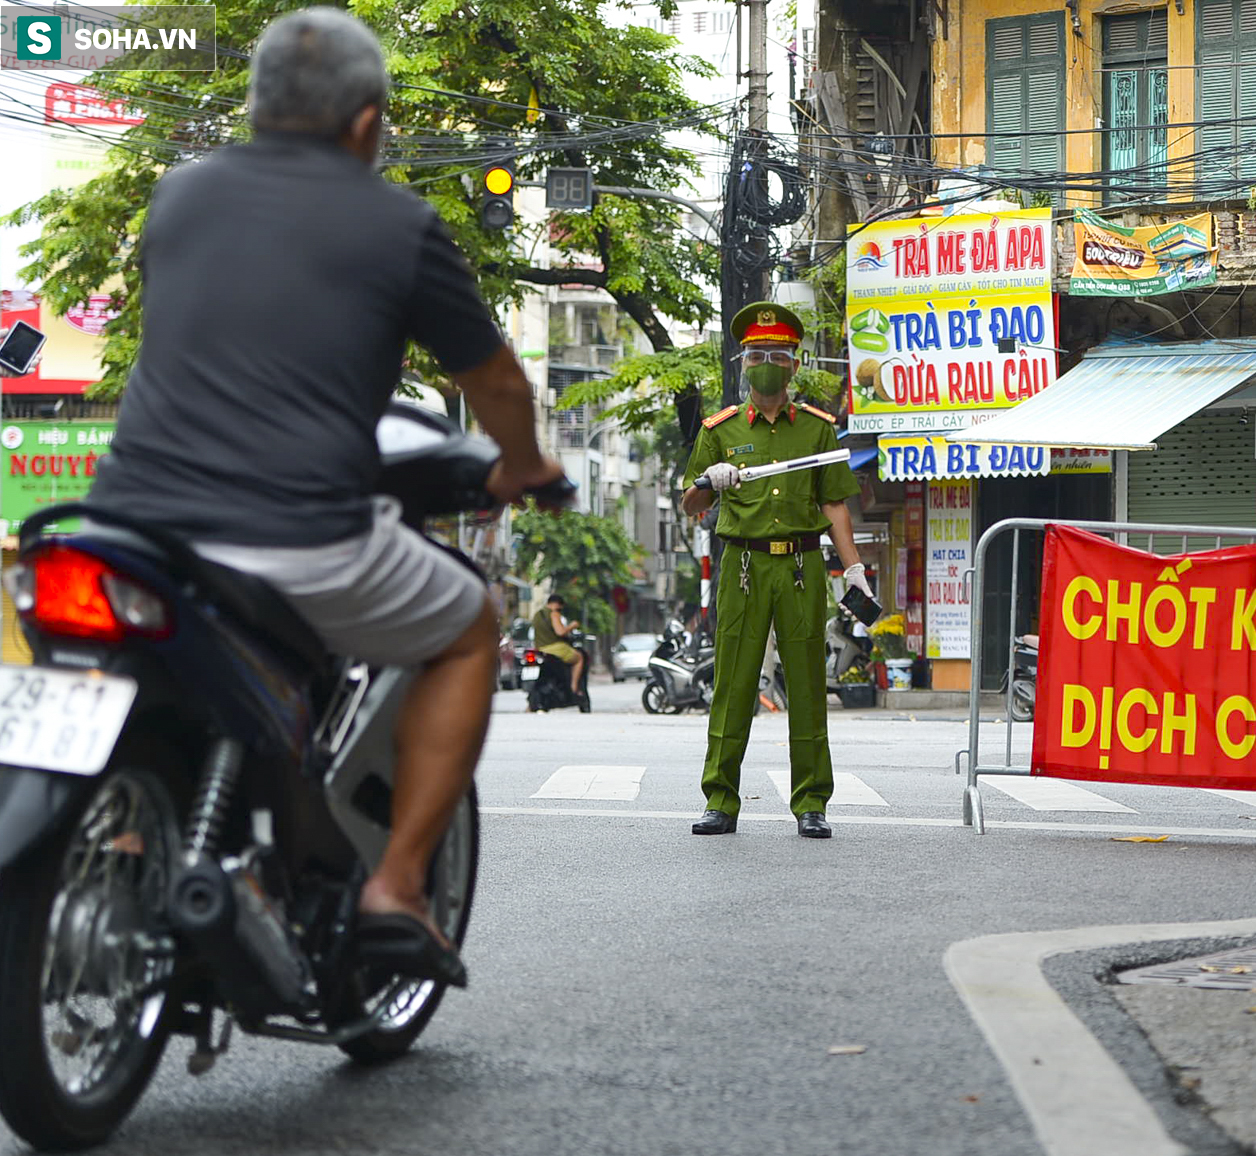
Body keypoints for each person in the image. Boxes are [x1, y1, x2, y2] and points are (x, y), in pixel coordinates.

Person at [87, 9, 565, 983]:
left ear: (256, 107)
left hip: (124, 524)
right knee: (471, 619)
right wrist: (520, 463)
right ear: (365, 124)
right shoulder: (397, 222)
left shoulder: (177, 198)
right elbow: (501, 387)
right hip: (293, 535)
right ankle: (393, 884)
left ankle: (138, 833)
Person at [680, 302, 871, 838]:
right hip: (741, 563)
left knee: (808, 684)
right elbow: (690, 505)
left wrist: (853, 570)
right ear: (744, 362)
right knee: (734, 684)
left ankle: (812, 802)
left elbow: (835, 505)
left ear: (794, 364)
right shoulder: (718, 430)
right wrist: (708, 483)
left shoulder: (815, 430)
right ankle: (721, 799)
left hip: (804, 566)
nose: (767, 362)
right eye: (758, 354)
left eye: (779, 354)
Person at [530, 593, 588, 708]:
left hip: (540, 649)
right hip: (555, 648)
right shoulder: (554, 614)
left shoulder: (537, 614)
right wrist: (572, 626)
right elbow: (560, 632)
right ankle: (574, 687)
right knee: (579, 657)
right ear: (557, 604)